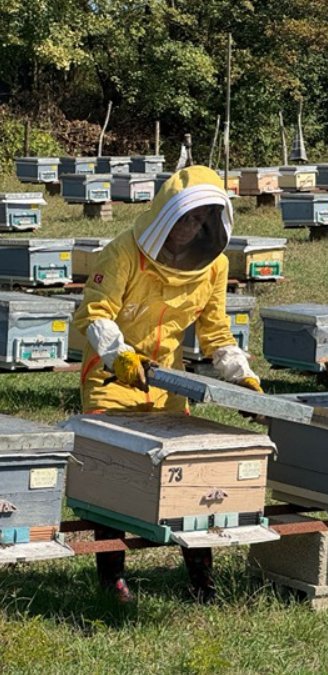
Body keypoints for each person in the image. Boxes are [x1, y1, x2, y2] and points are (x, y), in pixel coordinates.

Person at [73, 165, 263, 604]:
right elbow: (95, 313)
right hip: (111, 379)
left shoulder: (212, 267)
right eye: (182, 218)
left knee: (191, 481)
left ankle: (201, 583)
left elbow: (216, 333)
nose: (188, 228)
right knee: (114, 473)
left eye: (198, 221)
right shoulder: (122, 253)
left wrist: (243, 377)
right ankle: (112, 579)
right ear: (164, 214)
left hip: (168, 384)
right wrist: (118, 355)